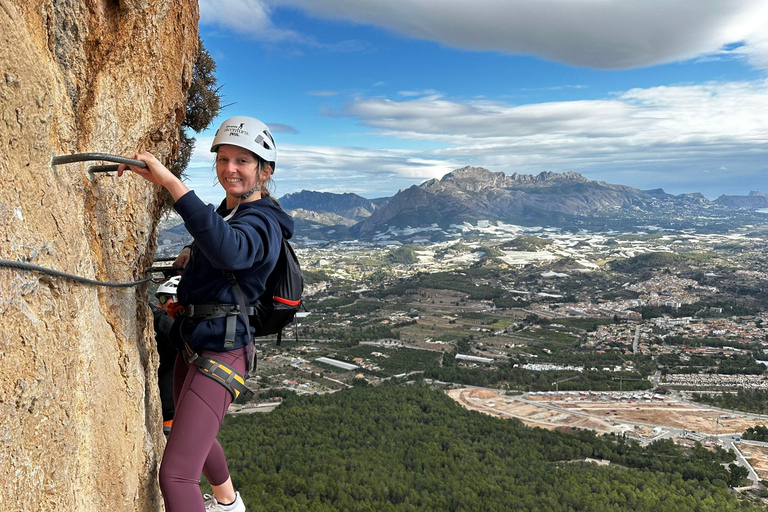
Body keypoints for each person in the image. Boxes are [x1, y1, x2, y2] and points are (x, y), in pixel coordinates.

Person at [119, 116, 294, 512]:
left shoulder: (264, 220)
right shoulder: (230, 211)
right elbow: (217, 246)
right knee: (190, 430)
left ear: (264, 172)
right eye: (223, 159)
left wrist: (171, 183)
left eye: (243, 162)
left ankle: (228, 503)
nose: (230, 169)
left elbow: (231, 249)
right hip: (199, 340)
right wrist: (190, 258)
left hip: (223, 351)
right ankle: (228, 502)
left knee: (176, 475)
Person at [151, 276, 181, 436]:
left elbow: (172, 330)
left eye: (163, 299)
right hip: (167, 412)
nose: (159, 304)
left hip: (171, 416)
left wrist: (152, 311)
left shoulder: (186, 331)